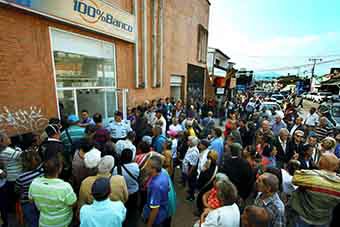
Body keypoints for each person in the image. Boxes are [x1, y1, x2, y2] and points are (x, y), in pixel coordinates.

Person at [291, 154, 340, 226]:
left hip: (304, 217)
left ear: (320, 164)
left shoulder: (311, 177)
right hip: (324, 219)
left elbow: (295, 178)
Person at [29, 157, 77, 227]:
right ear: (59, 169)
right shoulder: (65, 187)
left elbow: (31, 200)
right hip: (63, 222)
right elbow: (73, 204)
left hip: (44, 222)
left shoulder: (34, 183)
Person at [15, 150, 44, 227]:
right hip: (40, 199)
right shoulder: (42, 171)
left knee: (32, 222)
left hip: (27, 202)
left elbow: (17, 190)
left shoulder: (21, 177)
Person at [113, 148, 140, 227]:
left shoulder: (116, 169)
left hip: (122, 195)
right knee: (132, 211)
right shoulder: (135, 166)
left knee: (122, 211)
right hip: (134, 193)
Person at [142, 155, 169, 227]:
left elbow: (154, 210)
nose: (145, 167)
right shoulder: (164, 172)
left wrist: (149, 225)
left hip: (157, 218)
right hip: (164, 210)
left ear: (153, 169)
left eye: (148, 166)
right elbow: (168, 188)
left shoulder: (155, 186)